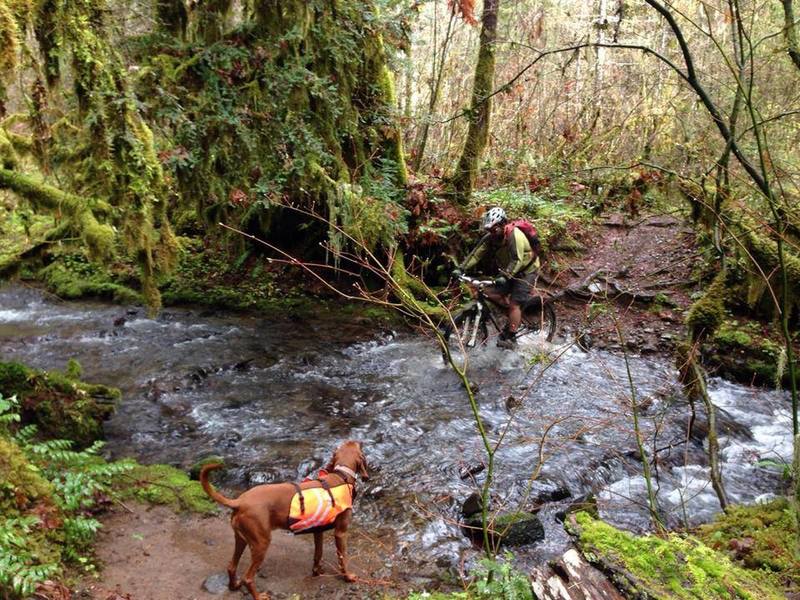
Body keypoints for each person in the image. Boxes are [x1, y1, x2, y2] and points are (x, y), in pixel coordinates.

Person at [451, 206, 539, 349]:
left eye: (494, 229)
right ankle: (510, 316)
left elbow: (517, 259)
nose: (491, 232)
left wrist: (505, 276)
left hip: (527, 271)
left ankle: (511, 335)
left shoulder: (514, 235)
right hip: (509, 271)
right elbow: (476, 254)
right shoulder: (490, 238)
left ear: (502, 224)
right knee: (489, 292)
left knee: (514, 304)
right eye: (489, 230)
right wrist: (461, 268)